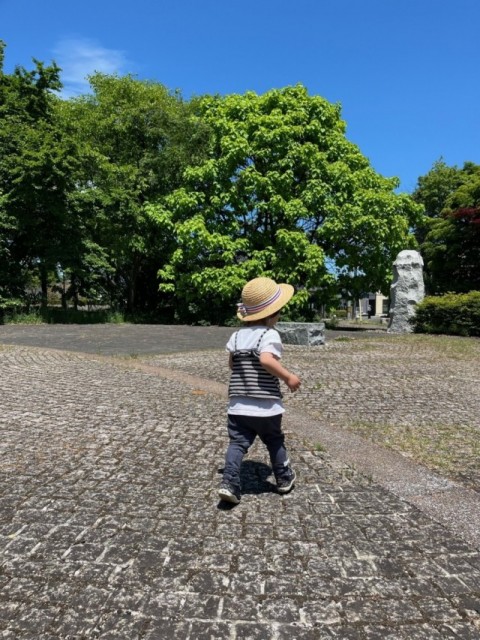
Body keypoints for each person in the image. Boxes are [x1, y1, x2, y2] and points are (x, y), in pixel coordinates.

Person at [218, 276, 301, 504]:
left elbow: (232, 365)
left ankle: (230, 483)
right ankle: (283, 478)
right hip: (266, 406)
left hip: (238, 406)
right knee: (274, 440)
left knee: (237, 444)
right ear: (272, 314)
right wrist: (288, 377)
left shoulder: (236, 336)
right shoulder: (269, 334)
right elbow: (266, 360)